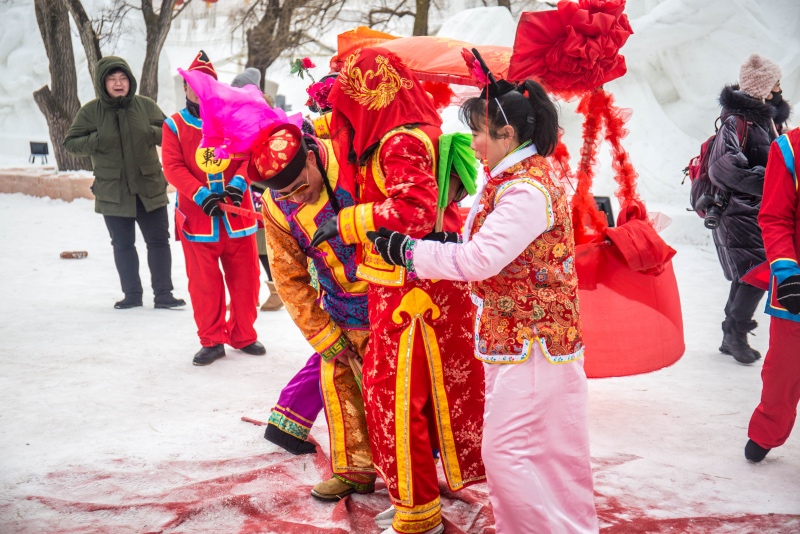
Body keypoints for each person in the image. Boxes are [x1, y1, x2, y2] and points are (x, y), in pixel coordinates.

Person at [368, 75, 599, 533]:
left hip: (531, 341)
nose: (472, 144)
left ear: (506, 134)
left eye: (478, 132)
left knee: (508, 452)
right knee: (544, 449)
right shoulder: (513, 178)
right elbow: (488, 245)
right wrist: (440, 240)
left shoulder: (525, 188)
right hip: (518, 337)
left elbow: (481, 258)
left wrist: (410, 252)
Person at [311, 48, 486, 534]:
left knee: (398, 397)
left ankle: (417, 513)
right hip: (407, 285)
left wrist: (347, 220)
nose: (343, 119)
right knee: (403, 396)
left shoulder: (398, 142)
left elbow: (411, 210)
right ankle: (413, 493)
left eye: (347, 107)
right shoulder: (409, 131)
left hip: (413, 293)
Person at [250, 123, 375, 499]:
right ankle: (355, 473)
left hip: (391, 301)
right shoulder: (276, 206)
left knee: (397, 398)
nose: (298, 199)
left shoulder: (353, 162)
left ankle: (411, 486)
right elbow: (288, 278)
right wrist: (325, 336)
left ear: (310, 157)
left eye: (302, 187)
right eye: (287, 195)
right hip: (338, 308)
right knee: (341, 392)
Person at [161, 51, 265, 366]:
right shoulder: (174, 125)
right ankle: (211, 339)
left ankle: (244, 335)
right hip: (198, 220)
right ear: (186, 89)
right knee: (205, 286)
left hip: (237, 218)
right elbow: (173, 167)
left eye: (205, 82)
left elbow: (250, 156)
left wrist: (237, 185)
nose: (197, 89)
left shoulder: (232, 117)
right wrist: (200, 194)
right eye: (192, 84)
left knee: (247, 280)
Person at [64, 56, 185, 310]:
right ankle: (131, 295)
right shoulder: (90, 112)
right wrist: (96, 139)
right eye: (112, 79)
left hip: (148, 187)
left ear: (130, 81)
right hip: (114, 191)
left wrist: (149, 132)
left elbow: (171, 134)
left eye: (123, 79)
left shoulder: (145, 106)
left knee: (158, 242)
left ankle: (164, 294)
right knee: (123, 245)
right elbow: (70, 143)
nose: (118, 84)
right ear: (103, 83)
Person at [708, 53, 791, 364]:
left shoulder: (767, 121)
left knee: (748, 273)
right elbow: (723, 167)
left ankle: (731, 332)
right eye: (776, 83)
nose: (780, 89)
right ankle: (736, 333)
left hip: (757, 209)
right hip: (739, 210)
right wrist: (771, 182)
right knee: (758, 272)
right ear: (765, 87)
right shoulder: (737, 121)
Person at [745, 126, 800, 462]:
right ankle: (767, 430)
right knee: (783, 373)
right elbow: (775, 217)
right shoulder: (790, 147)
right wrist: (787, 270)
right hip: (796, 287)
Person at [230, 67, 284, 312]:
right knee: (245, 243)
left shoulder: (266, 115)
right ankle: (243, 291)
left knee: (262, 242)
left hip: (263, 186)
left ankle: (277, 289)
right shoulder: (233, 116)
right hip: (242, 185)